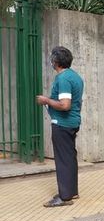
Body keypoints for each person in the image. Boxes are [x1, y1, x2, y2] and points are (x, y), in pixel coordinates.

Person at [36, 46, 84, 207]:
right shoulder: (75, 76)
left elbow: (65, 105)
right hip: (72, 122)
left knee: (63, 160)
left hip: (63, 124)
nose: (51, 61)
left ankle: (64, 197)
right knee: (69, 158)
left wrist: (46, 100)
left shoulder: (63, 79)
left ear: (56, 62)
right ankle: (72, 191)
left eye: (52, 59)